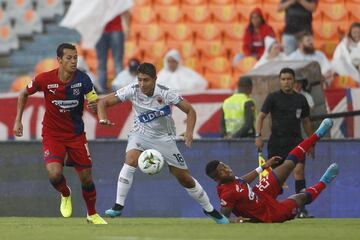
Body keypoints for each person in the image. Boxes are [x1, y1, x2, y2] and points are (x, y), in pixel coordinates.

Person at [97, 62, 229, 224]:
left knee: (184, 178)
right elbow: (103, 102)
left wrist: (189, 133)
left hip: (164, 138)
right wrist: (102, 118)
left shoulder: (166, 93)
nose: (142, 84)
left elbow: (190, 110)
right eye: (139, 80)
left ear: (155, 79)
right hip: (140, 134)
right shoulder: (132, 89)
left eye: (146, 80)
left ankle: (210, 210)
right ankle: (118, 206)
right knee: (130, 160)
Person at [12, 43, 107, 224]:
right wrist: (18, 120)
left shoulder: (84, 79)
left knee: (86, 178)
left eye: (75, 58)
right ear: (59, 60)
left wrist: (100, 114)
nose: (73, 61)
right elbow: (23, 93)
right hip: (52, 134)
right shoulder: (45, 79)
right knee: (54, 175)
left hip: (76, 135)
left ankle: (92, 214)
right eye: (69, 58)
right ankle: (65, 193)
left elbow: (94, 101)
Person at [206, 118, 338, 223]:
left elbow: (243, 181)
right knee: (300, 198)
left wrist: (263, 167)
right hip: (268, 213)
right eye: (221, 171)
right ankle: (324, 182)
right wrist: (236, 221)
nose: (226, 169)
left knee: (287, 164)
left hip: (261, 193)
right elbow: (223, 218)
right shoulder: (226, 193)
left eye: (224, 165)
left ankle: (317, 134)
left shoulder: (231, 180)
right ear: (217, 179)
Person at [255, 67, 314, 218]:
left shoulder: (301, 99)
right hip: (277, 142)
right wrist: (258, 136)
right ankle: (268, 208)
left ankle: (301, 210)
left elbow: (306, 121)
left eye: (289, 79)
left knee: (299, 171)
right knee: (276, 180)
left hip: (296, 141)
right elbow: (261, 117)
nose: (286, 82)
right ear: (280, 81)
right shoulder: (273, 98)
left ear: (294, 81)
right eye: (283, 79)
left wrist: (312, 141)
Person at [96, 10, 131, 93]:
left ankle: (114, 88)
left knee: (112, 62)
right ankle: (109, 88)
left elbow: (125, 9)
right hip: (108, 30)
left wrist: (127, 27)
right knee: (111, 62)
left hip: (113, 30)